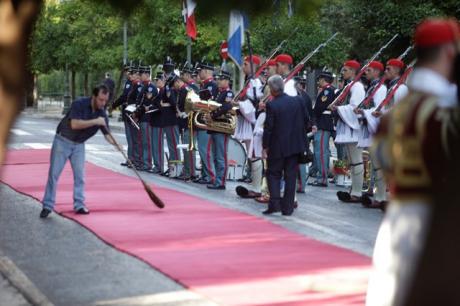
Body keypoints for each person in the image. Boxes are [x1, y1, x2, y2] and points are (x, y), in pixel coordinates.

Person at [366, 18, 460, 306]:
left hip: (397, 223)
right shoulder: (444, 113)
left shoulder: (396, 113)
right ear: (448, 52)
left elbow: (382, 159)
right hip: (439, 229)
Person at [40, 85, 119, 218]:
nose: (103, 103)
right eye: (100, 100)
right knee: (54, 174)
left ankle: (79, 205)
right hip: (63, 141)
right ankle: (47, 205)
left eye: (105, 101)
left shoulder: (102, 113)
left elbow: (107, 134)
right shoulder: (79, 104)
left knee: (80, 176)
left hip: (79, 145)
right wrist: (95, 121)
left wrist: (116, 144)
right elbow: (74, 124)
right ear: (94, 97)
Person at [262, 75, 307, 216]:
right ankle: (288, 208)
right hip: (294, 145)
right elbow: (306, 119)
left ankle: (274, 204)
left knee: (273, 174)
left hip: (277, 146)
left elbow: (268, 127)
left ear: (272, 89)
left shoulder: (272, 104)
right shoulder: (298, 101)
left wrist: (265, 146)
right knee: (290, 176)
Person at [333, 60, 366, 203]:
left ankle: (357, 192)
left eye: (345, 70)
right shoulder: (350, 85)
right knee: (352, 161)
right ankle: (354, 189)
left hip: (353, 127)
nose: (343, 72)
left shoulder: (357, 86)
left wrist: (337, 108)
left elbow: (354, 107)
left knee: (356, 159)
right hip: (347, 126)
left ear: (353, 71)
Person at [206, 70, 233, 190]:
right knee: (216, 156)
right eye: (218, 79)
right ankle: (217, 179)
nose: (218, 81)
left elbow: (226, 106)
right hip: (215, 127)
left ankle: (221, 182)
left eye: (221, 79)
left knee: (221, 156)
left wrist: (213, 115)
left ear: (227, 81)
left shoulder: (228, 93)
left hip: (222, 127)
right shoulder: (218, 93)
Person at [310, 71, 335, 187]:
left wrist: (313, 117)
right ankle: (321, 176)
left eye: (320, 79)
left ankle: (322, 178)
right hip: (323, 122)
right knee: (320, 151)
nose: (318, 81)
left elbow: (320, 107)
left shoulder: (327, 90)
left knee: (321, 152)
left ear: (324, 79)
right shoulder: (327, 90)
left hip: (323, 123)